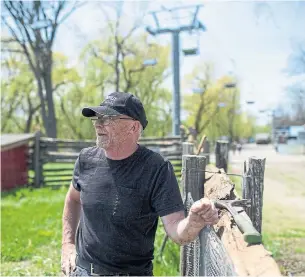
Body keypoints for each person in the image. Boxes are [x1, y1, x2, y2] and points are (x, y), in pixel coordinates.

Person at [61, 92, 219, 276]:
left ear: (133, 127)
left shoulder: (156, 168)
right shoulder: (86, 159)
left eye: (108, 118)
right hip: (81, 271)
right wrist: (67, 244)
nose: (98, 124)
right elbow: (72, 199)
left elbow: (176, 229)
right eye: (97, 118)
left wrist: (193, 222)